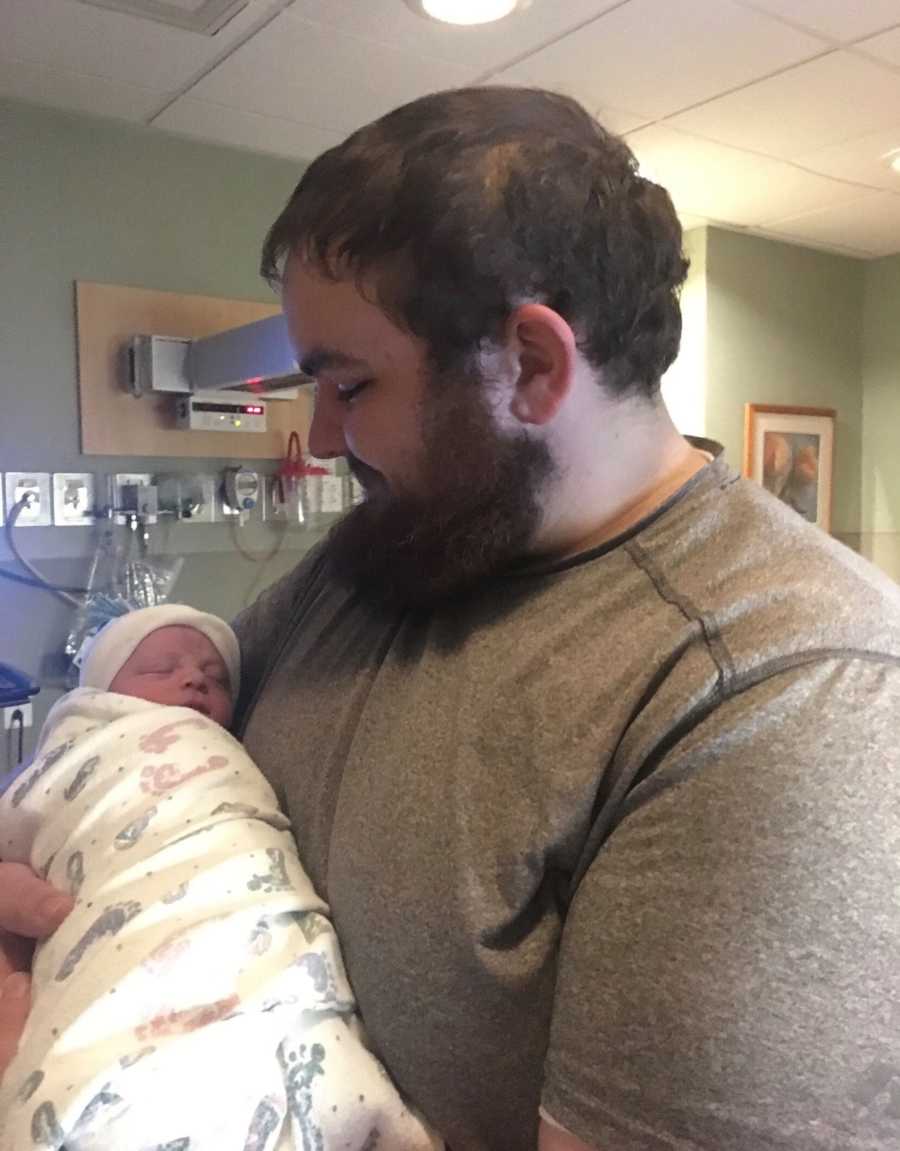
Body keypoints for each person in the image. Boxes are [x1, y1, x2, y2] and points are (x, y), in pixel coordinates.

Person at [3, 85, 900, 1151]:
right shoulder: (384, 555)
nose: (323, 437)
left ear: (530, 362)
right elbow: (153, 769)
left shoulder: (781, 690)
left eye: (349, 383)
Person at [0, 605, 438, 1151]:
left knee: (308, 1048)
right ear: (100, 696)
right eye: (162, 669)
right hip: (124, 921)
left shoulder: (226, 750)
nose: (193, 679)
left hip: (239, 892)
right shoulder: (82, 750)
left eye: (215, 678)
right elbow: (22, 822)